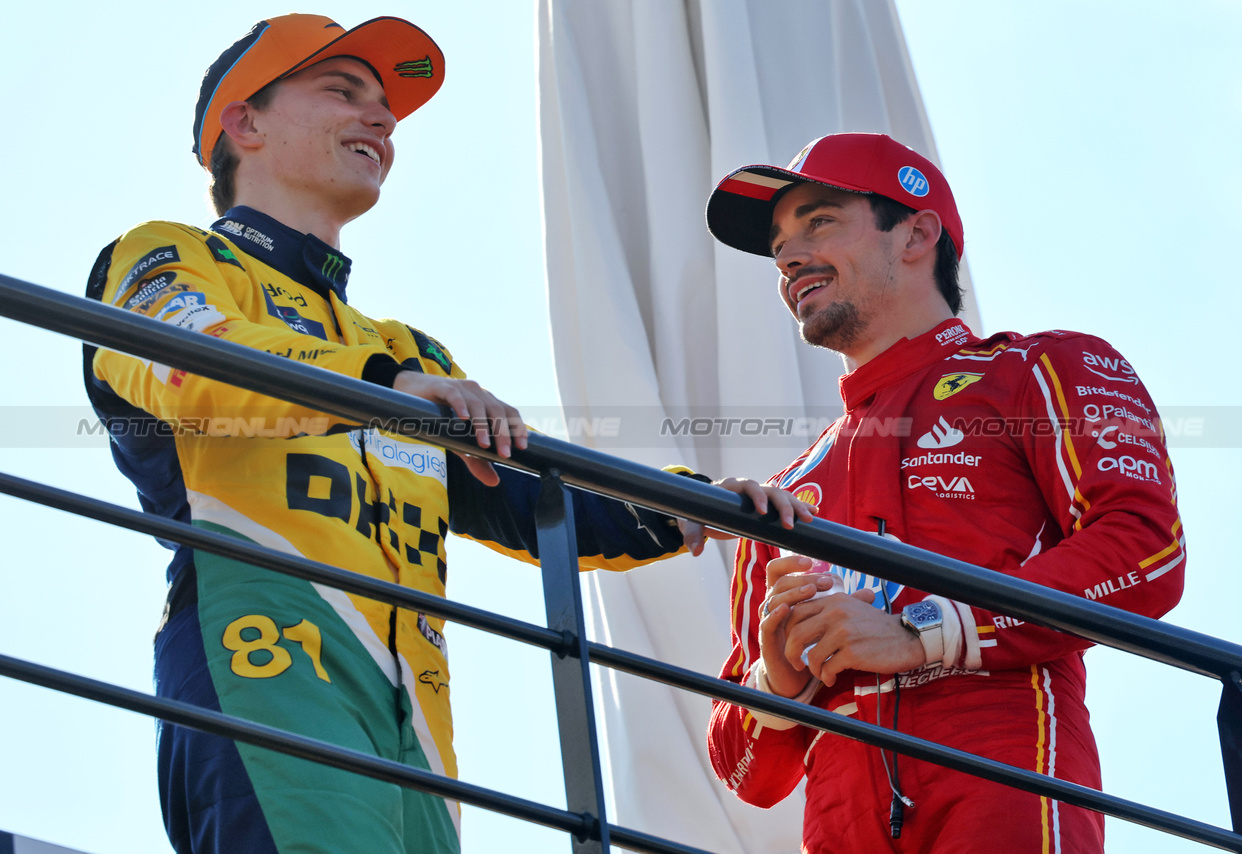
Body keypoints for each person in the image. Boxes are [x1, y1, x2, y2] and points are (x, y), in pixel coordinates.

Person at [82, 14, 809, 854]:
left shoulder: (409, 350)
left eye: (386, 105)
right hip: (259, 669)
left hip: (415, 720)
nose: (383, 120)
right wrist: (386, 390)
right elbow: (191, 368)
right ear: (244, 123)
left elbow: (530, 499)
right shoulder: (167, 254)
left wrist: (692, 504)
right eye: (342, 91)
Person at [702, 133, 1185, 853]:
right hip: (840, 823)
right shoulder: (781, 496)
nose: (789, 256)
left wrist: (918, 631)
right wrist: (778, 679)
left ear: (917, 233)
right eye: (778, 245)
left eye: (820, 221)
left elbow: (1146, 551)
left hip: (1003, 786)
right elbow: (747, 774)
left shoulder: (1042, 368)